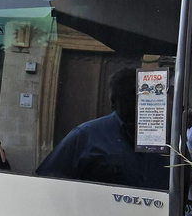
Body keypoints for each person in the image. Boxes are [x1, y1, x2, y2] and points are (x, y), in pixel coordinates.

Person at [36, 68, 167, 189]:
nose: (141, 101)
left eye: (146, 95)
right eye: (133, 94)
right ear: (114, 101)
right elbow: (47, 181)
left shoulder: (167, 137)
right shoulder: (86, 135)